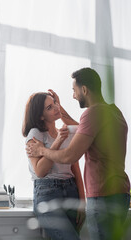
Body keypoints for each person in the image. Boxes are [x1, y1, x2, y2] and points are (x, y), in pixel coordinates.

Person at [26, 67, 131, 240]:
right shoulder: (113, 112)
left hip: (103, 195)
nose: (74, 96)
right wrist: (60, 109)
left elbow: (69, 156)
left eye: (74, 91)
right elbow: (85, 131)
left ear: (84, 90)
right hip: (120, 194)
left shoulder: (92, 114)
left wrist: (41, 150)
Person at [22, 92, 86, 240]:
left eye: (55, 103)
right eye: (50, 107)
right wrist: (58, 141)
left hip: (71, 191)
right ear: (41, 116)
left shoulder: (65, 132)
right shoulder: (35, 134)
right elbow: (40, 171)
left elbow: (75, 168)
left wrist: (82, 203)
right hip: (48, 193)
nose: (56, 108)